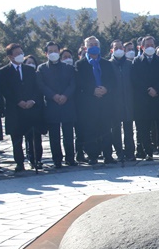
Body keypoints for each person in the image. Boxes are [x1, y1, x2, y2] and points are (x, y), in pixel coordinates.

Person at [0, 43, 44, 172]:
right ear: (10, 56)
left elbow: (37, 88)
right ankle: (19, 162)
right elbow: (5, 90)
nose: (20, 55)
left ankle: (35, 160)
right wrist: (18, 101)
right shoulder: (4, 71)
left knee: (33, 137)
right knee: (16, 138)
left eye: (21, 52)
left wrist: (32, 100)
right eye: (17, 53)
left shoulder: (29, 70)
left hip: (31, 109)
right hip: (15, 110)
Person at [75, 36, 116, 165]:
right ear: (86, 47)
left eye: (96, 44)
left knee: (106, 130)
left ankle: (108, 155)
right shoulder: (80, 64)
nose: (94, 46)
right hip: (89, 103)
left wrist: (106, 89)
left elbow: (112, 80)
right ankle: (93, 156)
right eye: (91, 44)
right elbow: (79, 83)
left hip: (105, 102)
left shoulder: (106, 63)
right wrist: (92, 90)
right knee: (90, 130)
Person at [36, 41, 77, 168]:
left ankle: (70, 158)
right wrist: (53, 96)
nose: (53, 53)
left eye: (55, 50)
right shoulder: (42, 69)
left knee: (68, 134)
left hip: (67, 103)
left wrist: (65, 95)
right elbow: (41, 85)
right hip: (51, 105)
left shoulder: (68, 68)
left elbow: (73, 84)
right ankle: (57, 160)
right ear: (46, 53)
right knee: (54, 135)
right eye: (50, 51)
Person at [131, 35, 159, 161]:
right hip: (143, 101)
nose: (150, 47)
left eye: (152, 45)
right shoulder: (136, 61)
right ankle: (148, 152)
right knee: (144, 128)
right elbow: (135, 80)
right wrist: (147, 89)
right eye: (147, 45)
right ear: (142, 47)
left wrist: (156, 89)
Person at [109, 39, 136, 161]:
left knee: (129, 128)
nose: (119, 50)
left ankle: (130, 152)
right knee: (115, 129)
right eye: (116, 48)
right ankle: (119, 152)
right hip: (114, 102)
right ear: (112, 50)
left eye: (120, 47)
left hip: (129, 101)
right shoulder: (108, 65)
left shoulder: (131, 64)